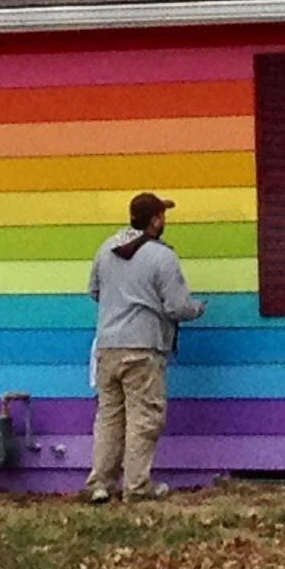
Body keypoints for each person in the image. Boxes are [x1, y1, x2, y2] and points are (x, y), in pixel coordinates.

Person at [85, 192, 207, 503]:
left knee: (109, 417)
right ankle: (137, 487)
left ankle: (100, 484)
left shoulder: (106, 248)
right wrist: (198, 308)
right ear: (154, 221)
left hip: (107, 347)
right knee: (145, 417)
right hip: (143, 348)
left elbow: (94, 291)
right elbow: (177, 306)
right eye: (162, 215)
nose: (164, 220)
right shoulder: (161, 256)